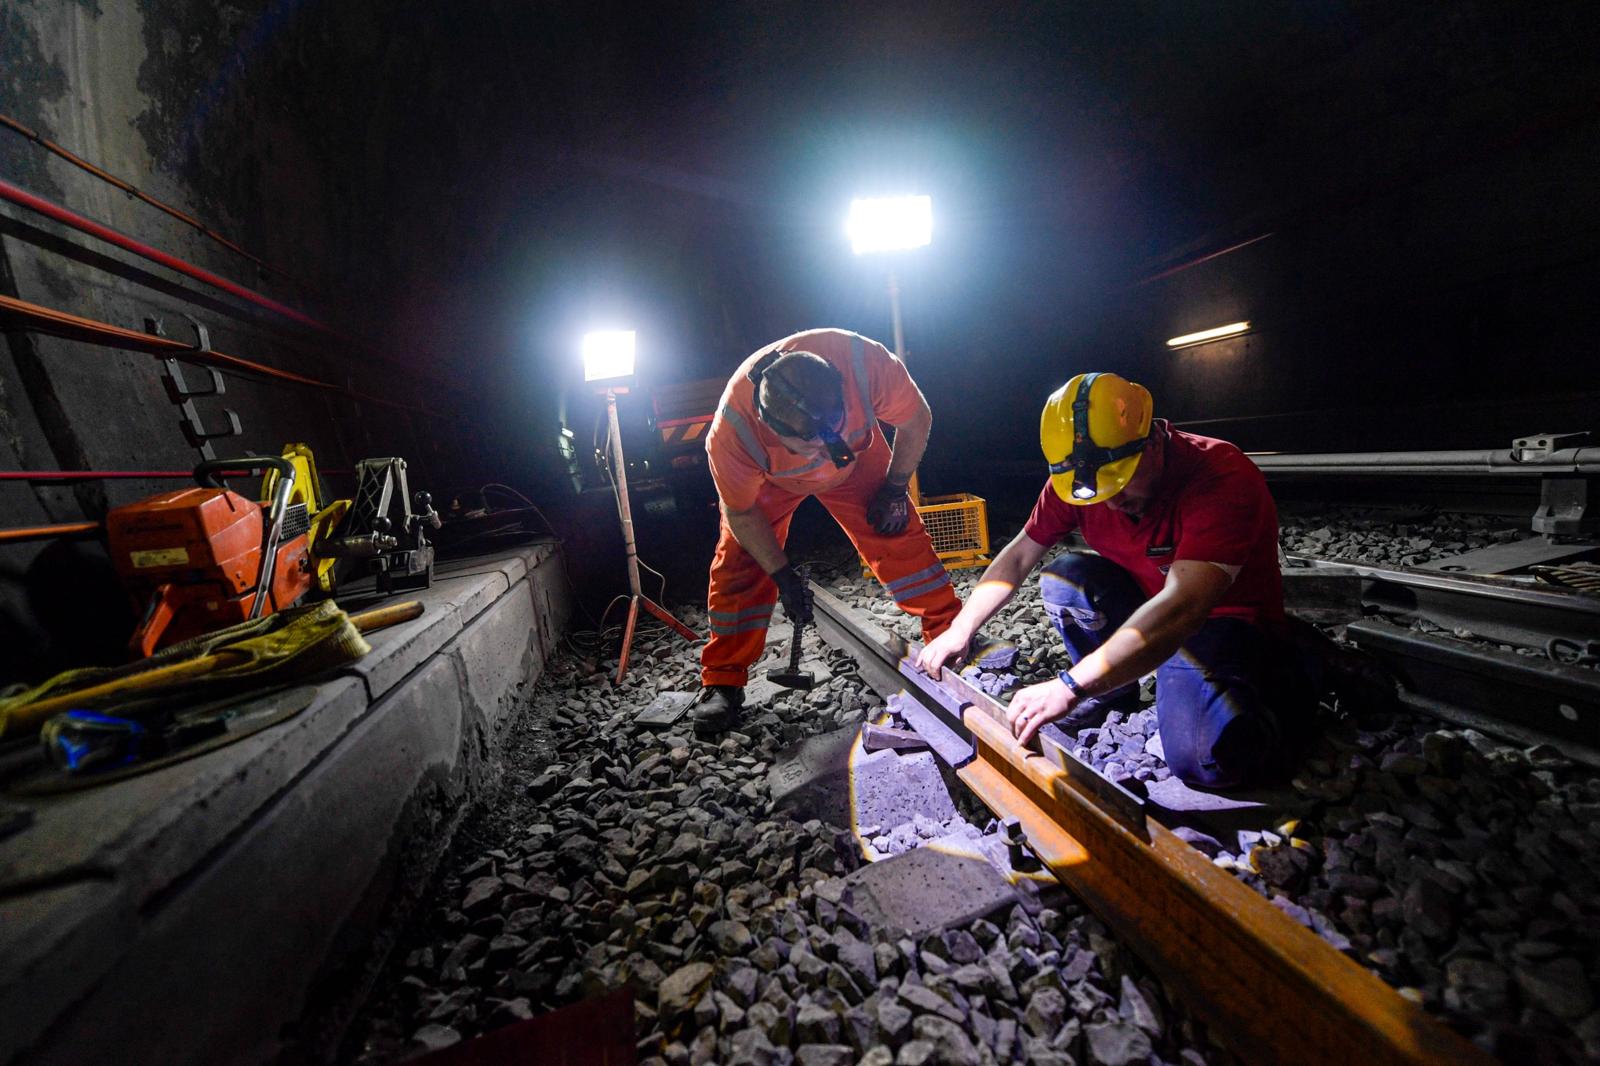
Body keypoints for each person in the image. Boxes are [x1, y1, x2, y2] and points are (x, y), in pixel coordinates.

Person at [917, 371, 1309, 788]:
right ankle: (1111, 689)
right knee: (1065, 578)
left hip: (1221, 618)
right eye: (1099, 491)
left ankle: (1300, 670)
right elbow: (1017, 556)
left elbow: (1184, 607)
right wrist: (961, 629)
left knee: (1202, 760)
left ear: (1154, 440)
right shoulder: (1079, 479)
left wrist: (1069, 686)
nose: (1112, 500)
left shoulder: (1220, 475)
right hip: (1153, 603)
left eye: (1121, 482)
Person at [695, 328, 961, 734]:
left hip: (858, 457)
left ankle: (950, 634)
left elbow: (916, 419)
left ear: (839, 387)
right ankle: (723, 681)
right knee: (742, 566)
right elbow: (743, 514)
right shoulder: (735, 436)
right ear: (772, 428)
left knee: (896, 533)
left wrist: (893, 488)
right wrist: (781, 575)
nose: (824, 452)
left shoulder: (862, 361)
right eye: (810, 443)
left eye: (831, 429)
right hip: (771, 484)